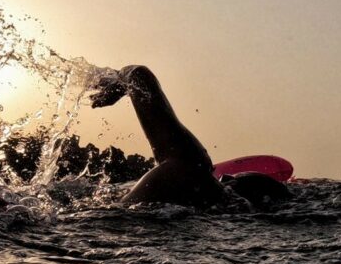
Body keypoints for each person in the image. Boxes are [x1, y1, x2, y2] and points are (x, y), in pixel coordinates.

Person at [90, 65, 289, 206]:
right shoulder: (216, 215)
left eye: (234, 178)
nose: (226, 175)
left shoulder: (191, 167)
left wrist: (118, 83)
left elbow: (139, 76)